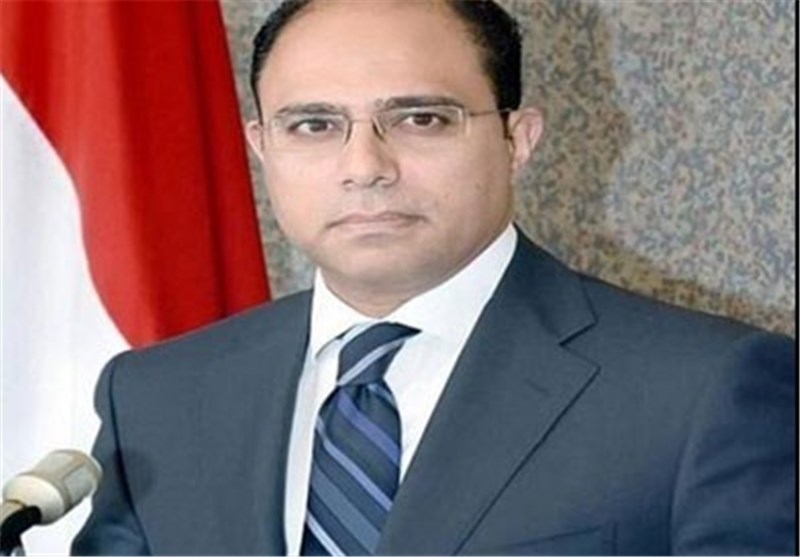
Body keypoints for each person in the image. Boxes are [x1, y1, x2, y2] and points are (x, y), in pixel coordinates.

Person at [72, 0, 795, 555]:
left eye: (420, 119)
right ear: (261, 148)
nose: (364, 167)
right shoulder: (156, 398)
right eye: (314, 126)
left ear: (518, 139)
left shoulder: (705, 392)